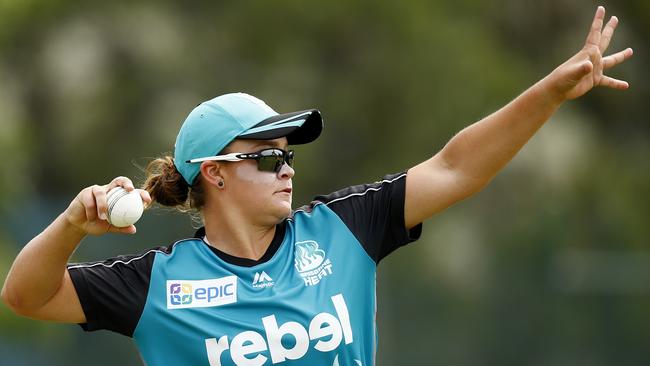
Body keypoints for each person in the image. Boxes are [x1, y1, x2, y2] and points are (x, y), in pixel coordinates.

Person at [1, 6, 633, 366]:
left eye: (288, 156)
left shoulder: (342, 229)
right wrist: (72, 227)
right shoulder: (157, 284)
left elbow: (457, 166)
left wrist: (548, 94)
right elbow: (26, 296)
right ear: (214, 174)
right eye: (268, 157)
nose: (287, 169)